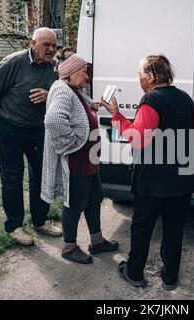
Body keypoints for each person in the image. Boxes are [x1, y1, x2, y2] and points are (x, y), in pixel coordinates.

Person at [101, 55, 194, 290]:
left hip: (153, 179)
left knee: (142, 227)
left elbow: (138, 139)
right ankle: (170, 277)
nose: (138, 79)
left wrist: (116, 116)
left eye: (139, 74)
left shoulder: (151, 99)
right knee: (174, 230)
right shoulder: (186, 98)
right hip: (182, 179)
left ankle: (135, 273)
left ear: (150, 76)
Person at [0, 27, 62, 246]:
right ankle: (14, 226)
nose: (51, 50)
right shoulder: (13, 63)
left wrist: (49, 95)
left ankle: (40, 220)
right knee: (12, 178)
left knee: (41, 176)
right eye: (46, 44)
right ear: (32, 43)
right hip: (11, 129)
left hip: (38, 130)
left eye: (54, 46)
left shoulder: (54, 68)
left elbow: (62, 94)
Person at [41, 48, 119, 264]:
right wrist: (71, 143)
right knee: (74, 204)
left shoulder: (73, 89)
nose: (87, 76)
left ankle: (96, 242)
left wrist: (96, 104)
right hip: (78, 161)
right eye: (83, 72)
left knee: (94, 200)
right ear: (71, 73)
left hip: (89, 160)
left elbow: (81, 109)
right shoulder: (63, 91)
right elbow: (54, 120)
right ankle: (69, 248)